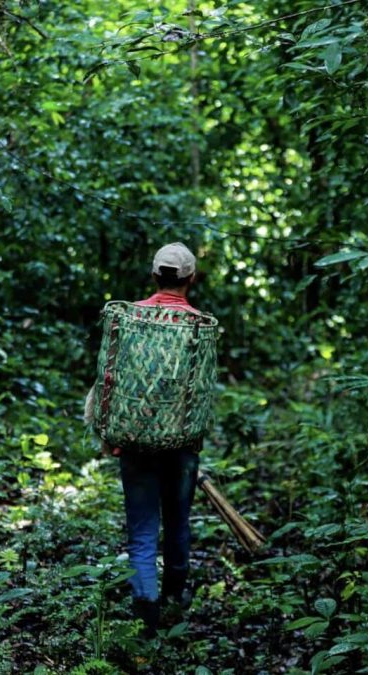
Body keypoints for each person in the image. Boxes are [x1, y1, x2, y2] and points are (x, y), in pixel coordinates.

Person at [87, 242, 205, 636]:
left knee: (141, 529)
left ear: (155, 275)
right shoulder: (200, 328)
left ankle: (147, 608)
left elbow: (108, 378)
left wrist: (109, 431)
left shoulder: (128, 319)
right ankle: (174, 597)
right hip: (181, 446)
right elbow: (201, 393)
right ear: (191, 278)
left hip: (133, 441)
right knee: (178, 522)